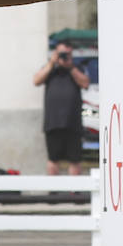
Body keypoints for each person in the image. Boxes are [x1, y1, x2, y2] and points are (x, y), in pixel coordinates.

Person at [32, 40, 90, 175]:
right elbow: (36, 80)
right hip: (53, 123)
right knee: (53, 159)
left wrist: (70, 67)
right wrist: (52, 63)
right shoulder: (49, 69)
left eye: (67, 54)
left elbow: (85, 83)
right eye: (61, 54)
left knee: (75, 160)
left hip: (73, 122)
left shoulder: (77, 68)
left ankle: (74, 193)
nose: (64, 56)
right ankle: (54, 192)